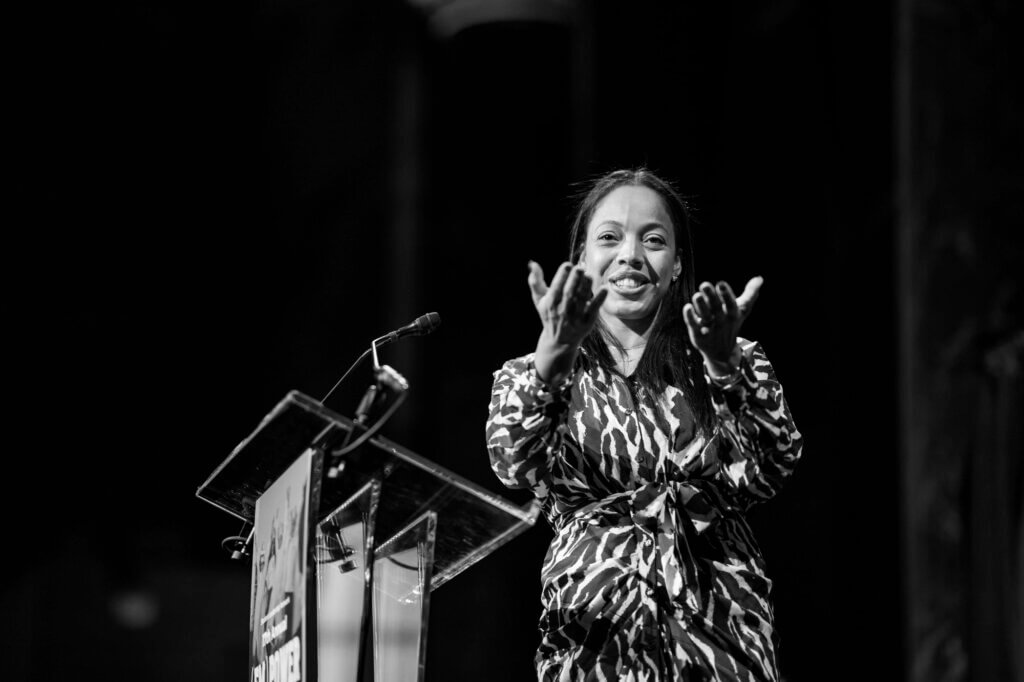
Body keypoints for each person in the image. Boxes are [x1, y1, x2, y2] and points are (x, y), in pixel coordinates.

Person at [485, 168, 803, 681]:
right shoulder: (531, 372)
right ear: (584, 259)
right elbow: (514, 466)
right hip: (592, 638)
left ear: (677, 264)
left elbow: (771, 468)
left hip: (719, 637)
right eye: (609, 238)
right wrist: (554, 356)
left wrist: (724, 369)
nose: (630, 255)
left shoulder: (729, 358)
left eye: (652, 240)